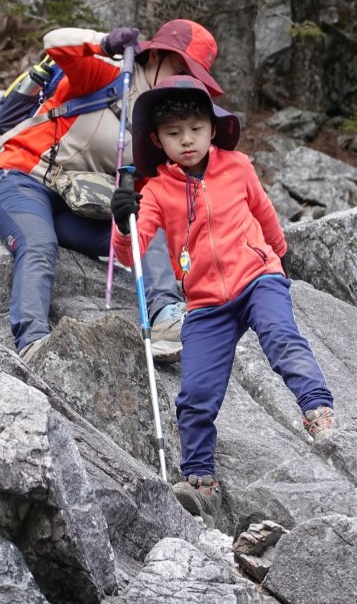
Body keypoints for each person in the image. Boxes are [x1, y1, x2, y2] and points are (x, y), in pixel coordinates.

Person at [109, 75, 336, 525]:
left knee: (281, 337)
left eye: (195, 128)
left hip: (258, 277)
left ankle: (317, 410)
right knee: (195, 392)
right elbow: (129, 255)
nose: (186, 140)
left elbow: (265, 215)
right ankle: (199, 479)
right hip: (206, 302)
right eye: (174, 134)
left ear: (213, 128)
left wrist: (280, 261)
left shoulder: (238, 167)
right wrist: (122, 221)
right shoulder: (154, 191)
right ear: (157, 141)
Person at [0, 20, 225, 362]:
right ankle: (34, 344)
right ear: (154, 56)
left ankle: (167, 317)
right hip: (19, 176)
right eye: (178, 66)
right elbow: (54, 41)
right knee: (39, 244)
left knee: (144, 228)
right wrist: (104, 42)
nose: (183, 78)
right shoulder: (108, 75)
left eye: (192, 73)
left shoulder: (164, 128)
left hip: (74, 208)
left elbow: (157, 207)